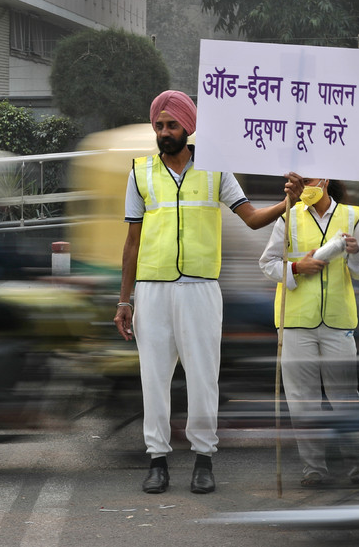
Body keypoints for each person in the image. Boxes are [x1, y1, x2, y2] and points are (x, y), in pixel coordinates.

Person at [114, 90, 303, 495]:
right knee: (154, 379)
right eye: (159, 126)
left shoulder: (216, 171)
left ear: (188, 127)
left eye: (172, 125)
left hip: (200, 289)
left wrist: (287, 203)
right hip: (151, 290)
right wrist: (124, 300)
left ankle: (203, 460)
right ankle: (157, 460)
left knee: (203, 378)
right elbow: (131, 242)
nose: (165, 132)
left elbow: (251, 218)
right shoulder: (140, 172)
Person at [258, 176, 359, 488]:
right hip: (296, 320)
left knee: (345, 396)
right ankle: (314, 469)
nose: (301, 185)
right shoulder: (288, 216)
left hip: (338, 320)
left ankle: (358, 467)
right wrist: (297, 268)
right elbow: (268, 264)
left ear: (323, 180)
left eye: (307, 179)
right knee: (302, 400)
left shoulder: (351, 215)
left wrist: (353, 252)